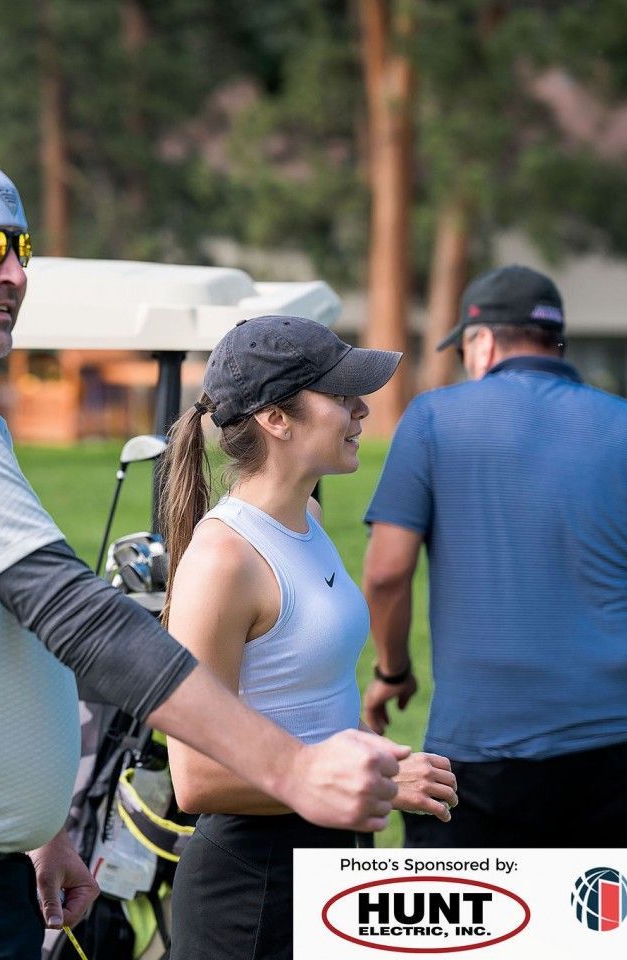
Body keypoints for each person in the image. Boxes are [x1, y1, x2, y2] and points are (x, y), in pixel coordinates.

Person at [0, 145, 410, 960]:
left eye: (21, 248)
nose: (15, 272)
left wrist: (27, 824)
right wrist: (295, 773)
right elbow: (77, 617)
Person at [361, 265, 627, 849]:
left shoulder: (432, 419)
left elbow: (387, 572)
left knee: (468, 938)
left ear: (483, 340)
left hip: (480, 747)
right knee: (593, 927)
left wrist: (393, 670)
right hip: (616, 741)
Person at [158, 316, 458, 960]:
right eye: (341, 394)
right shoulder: (223, 560)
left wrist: (378, 757)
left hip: (331, 856)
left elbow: (304, 694)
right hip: (253, 891)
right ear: (276, 418)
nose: (362, 409)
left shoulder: (307, 517)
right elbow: (196, 778)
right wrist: (375, 780)